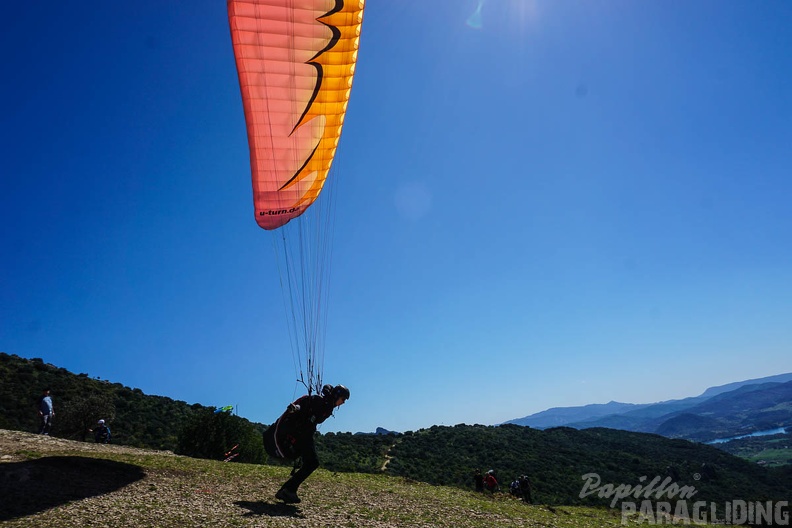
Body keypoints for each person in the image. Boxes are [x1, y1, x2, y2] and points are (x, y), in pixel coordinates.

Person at [263, 384, 350, 504]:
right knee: (312, 463)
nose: (343, 402)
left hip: (305, 435)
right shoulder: (318, 400)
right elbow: (302, 406)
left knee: (312, 463)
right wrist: (295, 408)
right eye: (343, 399)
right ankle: (288, 490)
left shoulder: (328, 406)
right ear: (336, 396)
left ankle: (287, 490)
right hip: (301, 434)